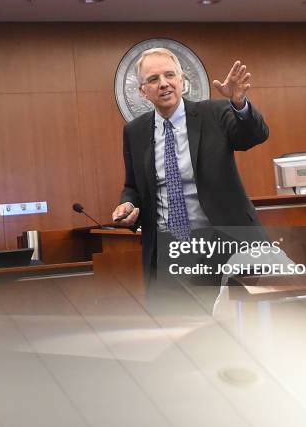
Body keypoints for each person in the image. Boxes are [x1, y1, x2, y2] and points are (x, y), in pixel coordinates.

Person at [111, 47, 269, 284]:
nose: (164, 83)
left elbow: (254, 136)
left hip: (223, 243)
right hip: (167, 248)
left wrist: (239, 103)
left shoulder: (214, 113)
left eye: (169, 75)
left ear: (181, 80)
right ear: (143, 91)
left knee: (230, 319)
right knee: (173, 320)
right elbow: (132, 185)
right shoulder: (135, 132)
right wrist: (127, 204)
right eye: (153, 79)